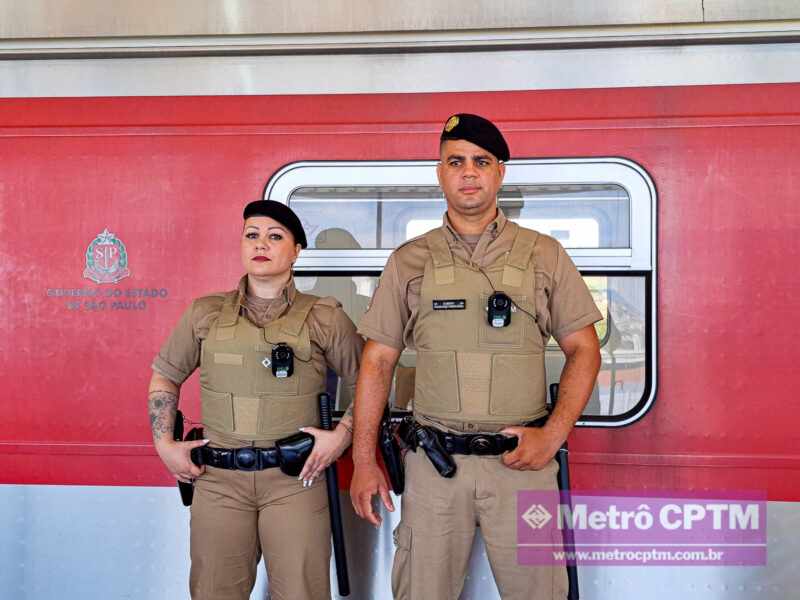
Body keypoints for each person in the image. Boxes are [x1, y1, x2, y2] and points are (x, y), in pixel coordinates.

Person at [350, 113, 602, 600]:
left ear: (499, 173)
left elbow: (584, 349)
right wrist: (364, 460)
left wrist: (551, 436)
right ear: (440, 172)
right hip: (433, 467)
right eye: (456, 161)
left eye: (481, 162)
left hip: (520, 466)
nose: (468, 172)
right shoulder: (409, 260)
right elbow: (377, 361)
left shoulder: (543, 255)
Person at [147, 200, 363, 600]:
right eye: (252, 235)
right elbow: (165, 376)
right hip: (219, 482)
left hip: (295, 481)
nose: (260, 244)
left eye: (275, 236)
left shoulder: (325, 318)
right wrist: (164, 444)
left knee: (301, 592)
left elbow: (370, 381)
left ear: (296, 250)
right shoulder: (205, 314)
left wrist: (342, 436)